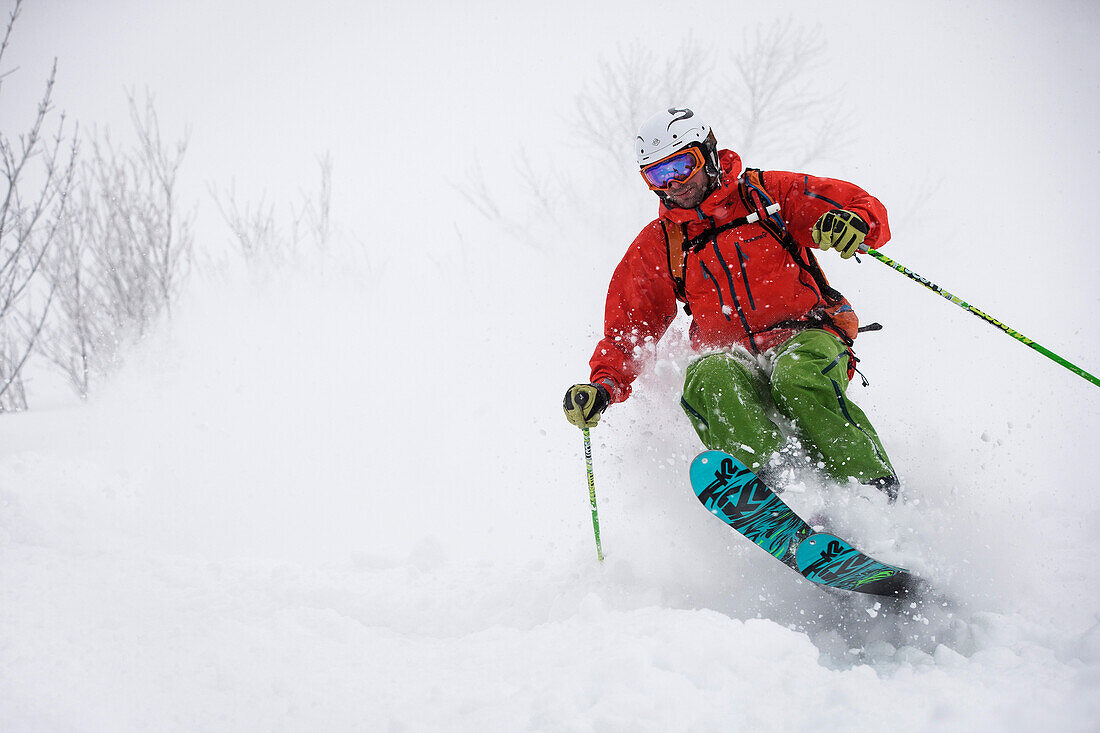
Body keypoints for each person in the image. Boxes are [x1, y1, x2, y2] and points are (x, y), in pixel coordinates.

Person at [562, 107, 899, 501]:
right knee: (708, 377)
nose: (673, 184)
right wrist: (604, 384)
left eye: (682, 166)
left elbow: (860, 206)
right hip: (732, 352)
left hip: (806, 334)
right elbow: (630, 327)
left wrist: (853, 222)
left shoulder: (766, 195)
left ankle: (873, 493)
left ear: (707, 153)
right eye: (657, 175)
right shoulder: (664, 241)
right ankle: (780, 493)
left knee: (797, 376)